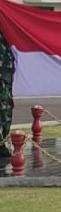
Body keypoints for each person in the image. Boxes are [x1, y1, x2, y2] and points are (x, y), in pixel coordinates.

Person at [0, 28, 15, 158]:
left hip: (6, 85)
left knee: (6, 114)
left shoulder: (5, 37)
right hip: (2, 85)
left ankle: (2, 142)